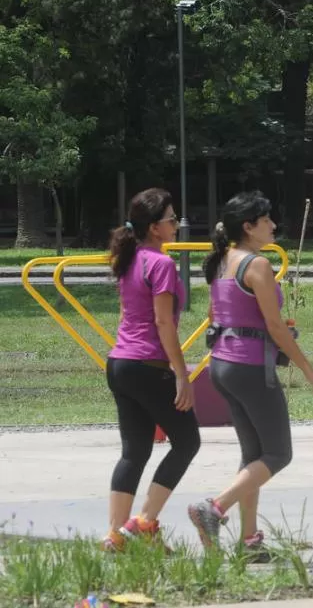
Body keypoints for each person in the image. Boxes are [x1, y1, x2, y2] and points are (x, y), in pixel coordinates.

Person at [187, 192, 313, 556]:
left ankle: (249, 541)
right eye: (266, 220)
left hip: (222, 364)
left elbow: (230, 313)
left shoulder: (220, 260)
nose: (273, 225)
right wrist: (308, 369)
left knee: (254, 455)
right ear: (248, 227)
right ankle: (213, 508)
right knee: (278, 454)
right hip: (250, 367)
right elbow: (276, 329)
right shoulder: (257, 265)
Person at [102, 188, 200, 551]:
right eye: (172, 219)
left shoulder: (129, 258)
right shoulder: (160, 264)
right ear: (155, 227)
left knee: (135, 451)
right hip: (147, 364)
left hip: (120, 364)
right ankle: (142, 524)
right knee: (188, 441)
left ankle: (116, 535)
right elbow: (163, 322)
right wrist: (181, 375)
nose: (177, 224)